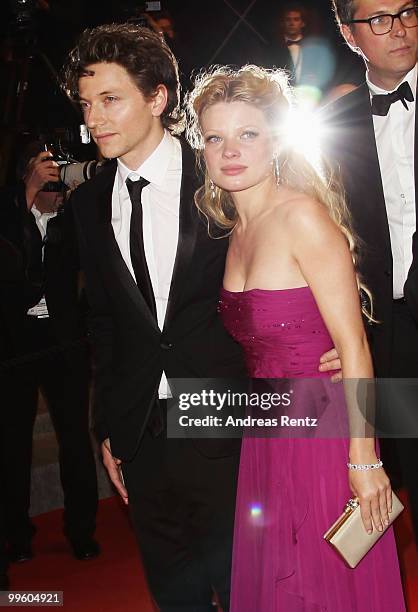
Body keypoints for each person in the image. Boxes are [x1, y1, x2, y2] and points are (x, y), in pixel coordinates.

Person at [62, 24, 340, 611]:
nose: (96, 118)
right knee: (174, 591)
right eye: (87, 105)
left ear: (158, 98)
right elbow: (105, 324)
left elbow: (310, 245)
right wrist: (108, 426)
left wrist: (336, 342)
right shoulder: (87, 202)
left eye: (111, 99)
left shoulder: (219, 168)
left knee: (250, 584)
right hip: (141, 432)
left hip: (229, 416)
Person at [186, 64, 405, 611]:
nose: (231, 151)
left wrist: (364, 459)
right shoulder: (231, 232)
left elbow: (354, 347)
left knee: (321, 584)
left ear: (276, 140)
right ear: (203, 150)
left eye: (248, 134)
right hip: (267, 429)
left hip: (326, 433)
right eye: (216, 138)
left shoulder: (302, 216)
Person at [324, 0, 418, 547]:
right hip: (386, 338)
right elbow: (326, 236)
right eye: (378, 19)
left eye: (407, 11)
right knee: (393, 487)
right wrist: (337, 330)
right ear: (348, 33)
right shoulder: (333, 126)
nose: (398, 28)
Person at [0, 144, 99, 561]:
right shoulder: (10, 214)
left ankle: (81, 531)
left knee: (76, 439)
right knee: (11, 444)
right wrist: (25, 195)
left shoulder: (72, 219)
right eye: (48, 174)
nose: (57, 182)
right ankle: (17, 538)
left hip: (64, 341)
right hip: (14, 343)